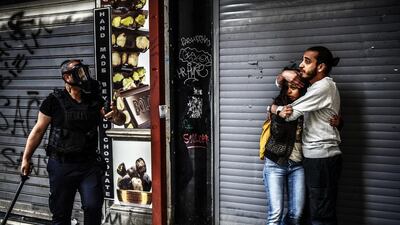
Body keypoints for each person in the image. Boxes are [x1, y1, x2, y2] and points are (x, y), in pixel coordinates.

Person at [20, 59, 125, 225]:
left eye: (84, 72)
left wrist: (116, 114)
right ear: (67, 77)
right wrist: (26, 158)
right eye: (79, 73)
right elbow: (38, 130)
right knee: (61, 216)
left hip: (88, 165)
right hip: (61, 166)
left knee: (93, 207)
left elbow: (119, 120)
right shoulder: (53, 101)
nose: (84, 76)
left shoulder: (94, 99)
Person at [271, 46, 342, 225]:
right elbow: (283, 82)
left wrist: (271, 108)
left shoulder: (322, 87)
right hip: (314, 158)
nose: (301, 65)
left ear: (320, 67)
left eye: (307, 61)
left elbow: (290, 113)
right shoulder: (313, 86)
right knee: (315, 212)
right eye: (302, 60)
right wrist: (284, 74)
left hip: (321, 158)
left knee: (321, 216)